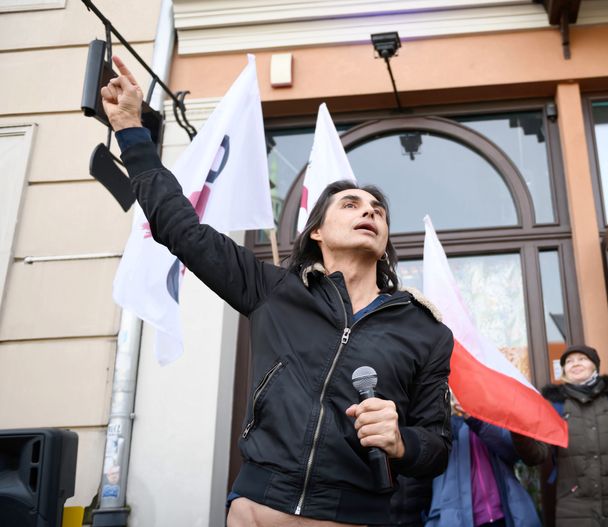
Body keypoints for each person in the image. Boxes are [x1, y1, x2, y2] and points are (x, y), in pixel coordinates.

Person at [100, 57, 454, 526]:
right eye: (351, 204)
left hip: (353, 516)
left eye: (378, 210)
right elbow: (179, 227)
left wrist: (402, 440)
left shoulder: (424, 330)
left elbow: (438, 448)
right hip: (256, 510)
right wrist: (130, 129)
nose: (369, 212)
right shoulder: (272, 289)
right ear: (317, 234)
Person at [517, 345, 608, 526]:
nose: (575, 364)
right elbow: (537, 454)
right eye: (569, 362)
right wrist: (518, 431)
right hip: (573, 506)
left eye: (582, 359)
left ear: (594, 366)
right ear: (564, 370)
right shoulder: (556, 407)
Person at [424, 398, 541, 527]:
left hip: (504, 516)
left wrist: (475, 420)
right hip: (463, 519)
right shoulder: (448, 426)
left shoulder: (491, 420)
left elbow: (511, 452)